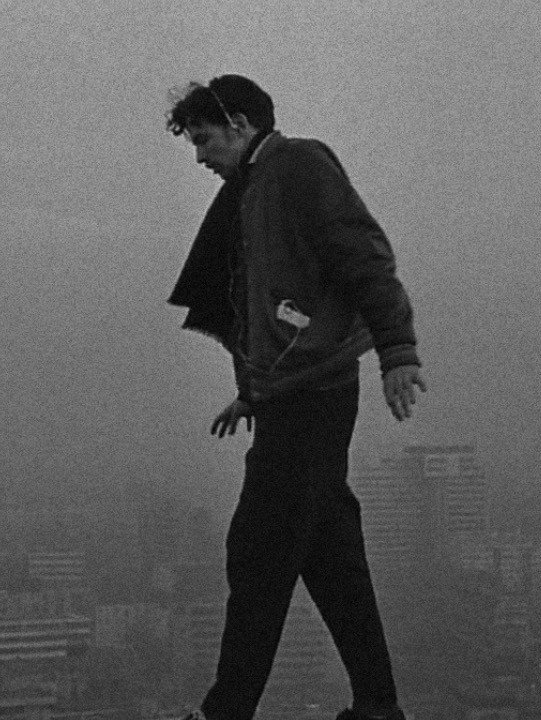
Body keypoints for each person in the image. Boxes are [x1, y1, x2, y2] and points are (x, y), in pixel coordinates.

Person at [165, 75, 427, 720]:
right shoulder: (252, 188)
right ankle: (378, 705)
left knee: (257, 551)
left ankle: (227, 712)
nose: (199, 156)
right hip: (291, 393)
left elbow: (364, 257)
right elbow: (258, 301)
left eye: (204, 139)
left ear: (240, 123)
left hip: (314, 392)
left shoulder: (299, 166)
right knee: (332, 558)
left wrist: (397, 352)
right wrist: (251, 391)